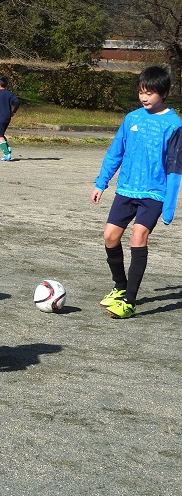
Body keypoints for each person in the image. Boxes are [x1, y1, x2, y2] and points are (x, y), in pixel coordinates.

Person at [91, 65, 182, 319]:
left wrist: (169, 207)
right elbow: (115, 153)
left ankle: (129, 301)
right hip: (127, 189)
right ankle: (120, 287)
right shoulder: (132, 119)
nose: (144, 97)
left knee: (138, 236)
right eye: (141, 92)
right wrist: (101, 183)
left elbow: (175, 168)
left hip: (154, 193)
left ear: (164, 93)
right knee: (110, 236)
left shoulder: (174, 124)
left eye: (150, 93)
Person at [0, 75, 20, 161]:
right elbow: (17, 102)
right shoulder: (10, 93)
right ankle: (7, 147)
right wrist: (14, 111)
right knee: (2, 134)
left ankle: (7, 153)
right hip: (8, 117)